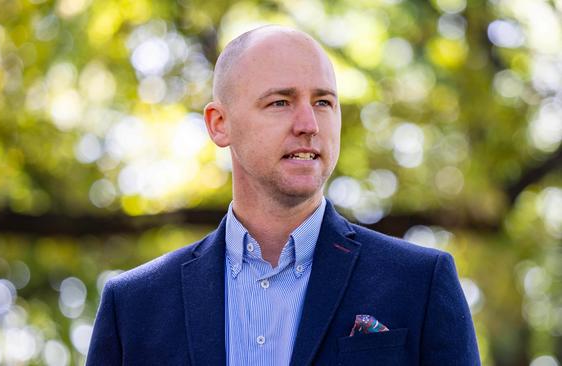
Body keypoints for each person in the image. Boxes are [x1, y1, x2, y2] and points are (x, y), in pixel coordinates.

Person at [86, 25, 480, 365]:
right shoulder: (135, 307)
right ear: (219, 124)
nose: (309, 124)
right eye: (280, 102)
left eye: (323, 102)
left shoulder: (420, 283)